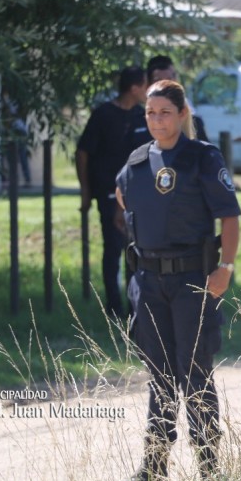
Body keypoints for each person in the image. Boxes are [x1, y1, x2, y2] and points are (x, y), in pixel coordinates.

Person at [116, 80, 240, 481]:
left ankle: (209, 468)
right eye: (150, 113)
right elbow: (123, 196)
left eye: (165, 112)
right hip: (150, 281)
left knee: (195, 372)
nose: (156, 119)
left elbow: (230, 216)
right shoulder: (136, 160)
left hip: (192, 279)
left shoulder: (202, 157)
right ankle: (153, 468)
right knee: (160, 375)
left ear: (183, 114)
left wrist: (228, 267)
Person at [76, 65, 150, 318]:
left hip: (139, 196)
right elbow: (83, 152)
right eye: (145, 85)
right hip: (109, 193)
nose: (148, 91)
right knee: (113, 248)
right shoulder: (103, 115)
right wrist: (86, 191)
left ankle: (135, 308)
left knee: (135, 250)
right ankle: (113, 308)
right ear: (134, 88)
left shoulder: (144, 116)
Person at [147, 54, 209, 142]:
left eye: (170, 79)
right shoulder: (140, 117)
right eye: (158, 80)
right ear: (149, 83)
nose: (165, 85)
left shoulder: (191, 115)